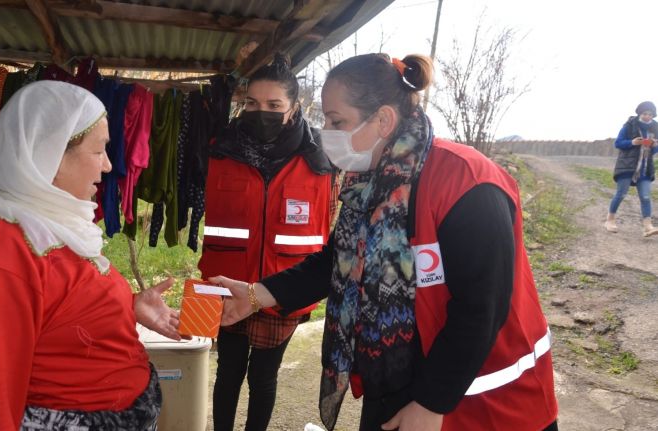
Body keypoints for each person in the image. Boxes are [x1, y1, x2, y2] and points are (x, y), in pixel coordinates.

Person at [215, 53, 559, 431]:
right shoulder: (366, 184)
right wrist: (255, 295)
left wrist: (431, 402)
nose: (326, 131)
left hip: (488, 402)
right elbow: (338, 262)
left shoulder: (466, 181)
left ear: (382, 120)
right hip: (397, 382)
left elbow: (482, 307)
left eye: (336, 121)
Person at [0, 81, 182, 431]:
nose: (108, 165)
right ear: (52, 154)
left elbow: (58, 306)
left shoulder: (49, 222)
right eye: (99, 150)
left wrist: (127, 307)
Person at [199, 53, 335, 431]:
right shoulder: (220, 149)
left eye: (274, 105)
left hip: (283, 287)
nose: (263, 112)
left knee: (264, 376)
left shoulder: (321, 159)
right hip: (226, 284)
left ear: (294, 107)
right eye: (253, 104)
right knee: (227, 373)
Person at [604, 101, 658, 237]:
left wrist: (654, 145)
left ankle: (647, 226)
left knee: (645, 197)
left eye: (650, 114)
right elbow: (618, 143)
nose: (647, 116)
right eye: (645, 113)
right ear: (640, 113)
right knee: (621, 194)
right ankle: (610, 220)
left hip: (645, 167)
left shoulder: (655, 128)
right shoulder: (629, 125)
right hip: (627, 166)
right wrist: (633, 142)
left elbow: (654, 151)